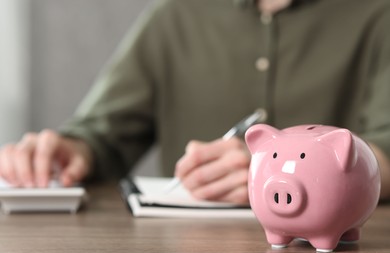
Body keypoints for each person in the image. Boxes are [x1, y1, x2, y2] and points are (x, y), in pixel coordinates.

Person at [1, 0, 390, 204]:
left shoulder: (378, 12)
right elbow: (103, 133)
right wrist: (71, 150)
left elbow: (387, 149)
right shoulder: (176, 13)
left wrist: (271, 172)